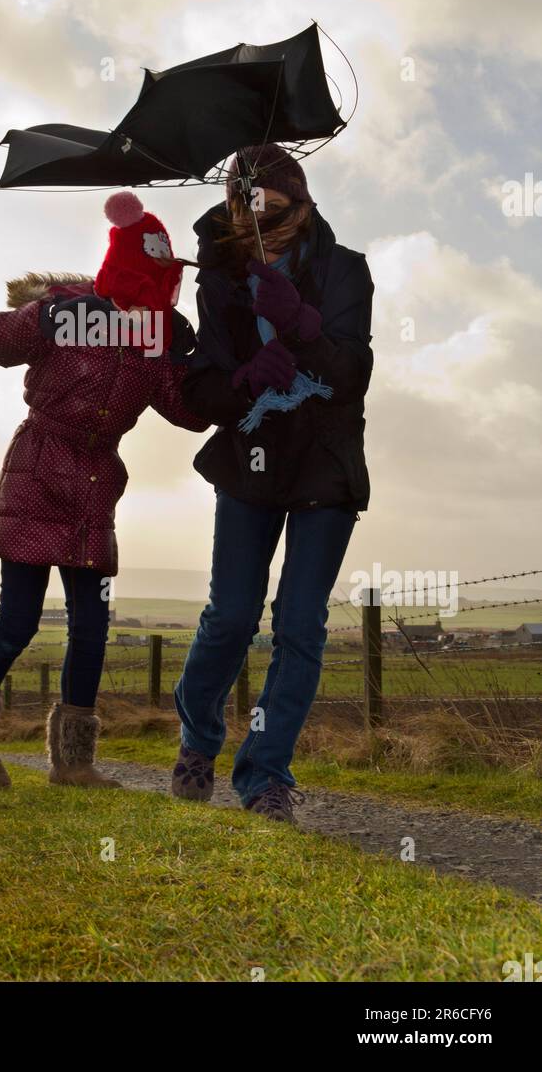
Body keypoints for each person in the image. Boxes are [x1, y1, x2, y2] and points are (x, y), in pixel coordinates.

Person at [0, 191, 209, 790]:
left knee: (91, 627)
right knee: (17, 624)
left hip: (94, 487)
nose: (162, 288)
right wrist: (43, 316)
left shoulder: (151, 339)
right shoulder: (68, 313)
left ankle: (74, 764)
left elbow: (188, 413)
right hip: (37, 473)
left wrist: (201, 360)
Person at [171, 143, 374, 823]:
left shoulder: (346, 271)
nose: (259, 227)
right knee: (230, 618)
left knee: (298, 626)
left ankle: (263, 776)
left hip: (323, 463)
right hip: (250, 458)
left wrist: (300, 327)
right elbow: (204, 388)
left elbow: (349, 375)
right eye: (243, 212)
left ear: (304, 203)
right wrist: (240, 380)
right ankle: (198, 739)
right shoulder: (219, 278)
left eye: (275, 212)